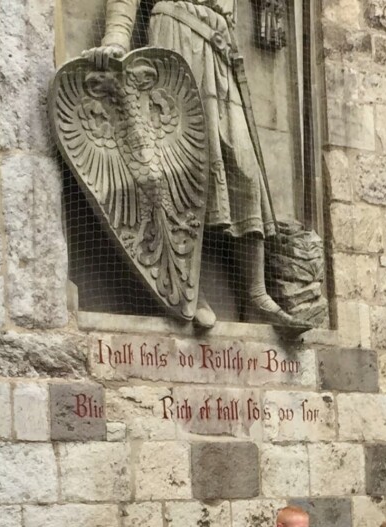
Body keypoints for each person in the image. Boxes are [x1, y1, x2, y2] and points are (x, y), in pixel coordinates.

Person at [84, 0, 302, 328]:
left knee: (245, 167)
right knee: (180, 163)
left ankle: (257, 293)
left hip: (221, 48)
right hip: (175, 37)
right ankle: (188, 288)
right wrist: (116, 37)